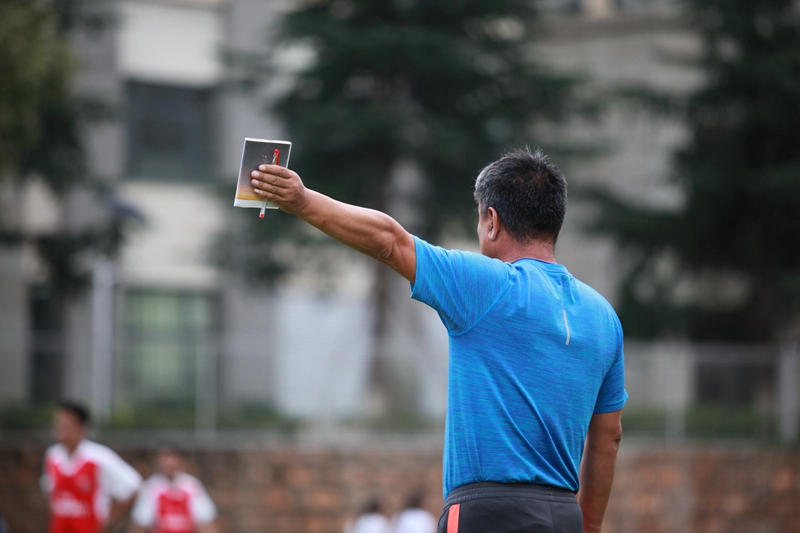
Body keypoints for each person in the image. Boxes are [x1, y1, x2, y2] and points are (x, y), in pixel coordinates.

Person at [249, 148, 627, 533]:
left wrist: (302, 200)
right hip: (564, 515)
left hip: (488, 514)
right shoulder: (604, 318)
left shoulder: (488, 285)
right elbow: (608, 439)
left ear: (492, 221)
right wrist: (588, 526)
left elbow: (389, 241)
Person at [41, 401, 143, 533]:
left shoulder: (98, 457)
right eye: (58, 423)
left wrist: (107, 520)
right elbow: (50, 492)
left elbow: (134, 486)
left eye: (66, 424)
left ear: (80, 427)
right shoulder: (52, 456)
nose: (60, 427)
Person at [129, 444, 217, 533]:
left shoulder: (192, 485)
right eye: (164, 456)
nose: (168, 461)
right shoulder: (151, 487)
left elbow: (207, 523)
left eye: (172, 456)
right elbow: (139, 524)